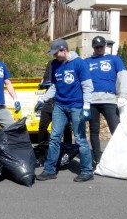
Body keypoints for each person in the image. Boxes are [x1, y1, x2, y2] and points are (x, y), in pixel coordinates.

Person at [35, 38, 94, 182]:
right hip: (60, 105)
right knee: (55, 137)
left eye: (56, 53)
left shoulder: (79, 63)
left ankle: (87, 171)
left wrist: (86, 107)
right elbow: (54, 87)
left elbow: (87, 86)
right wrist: (43, 99)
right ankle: (50, 170)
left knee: (80, 139)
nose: (54, 56)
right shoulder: (55, 64)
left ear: (64, 50)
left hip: (76, 106)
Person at [85, 35, 127, 165]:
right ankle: (97, 158)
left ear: (105, 46)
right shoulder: (86, 62)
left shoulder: (114, 59)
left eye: (101, 46)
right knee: (94, 130)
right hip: (92, 101)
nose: (99, 48)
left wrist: (123, 95)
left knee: (116, 129)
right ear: (93, 47)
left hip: (109, 100)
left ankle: (120, 159)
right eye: (96, 46)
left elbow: (123, 77)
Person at [37, 60, 72, 146]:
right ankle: (42, 147)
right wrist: (43, 84)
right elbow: (46, 78)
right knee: (42, 126)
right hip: (49, 100)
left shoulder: (69, 63)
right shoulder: (51, 63)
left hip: (62, 101)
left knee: (66, 127)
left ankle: (67, 149)